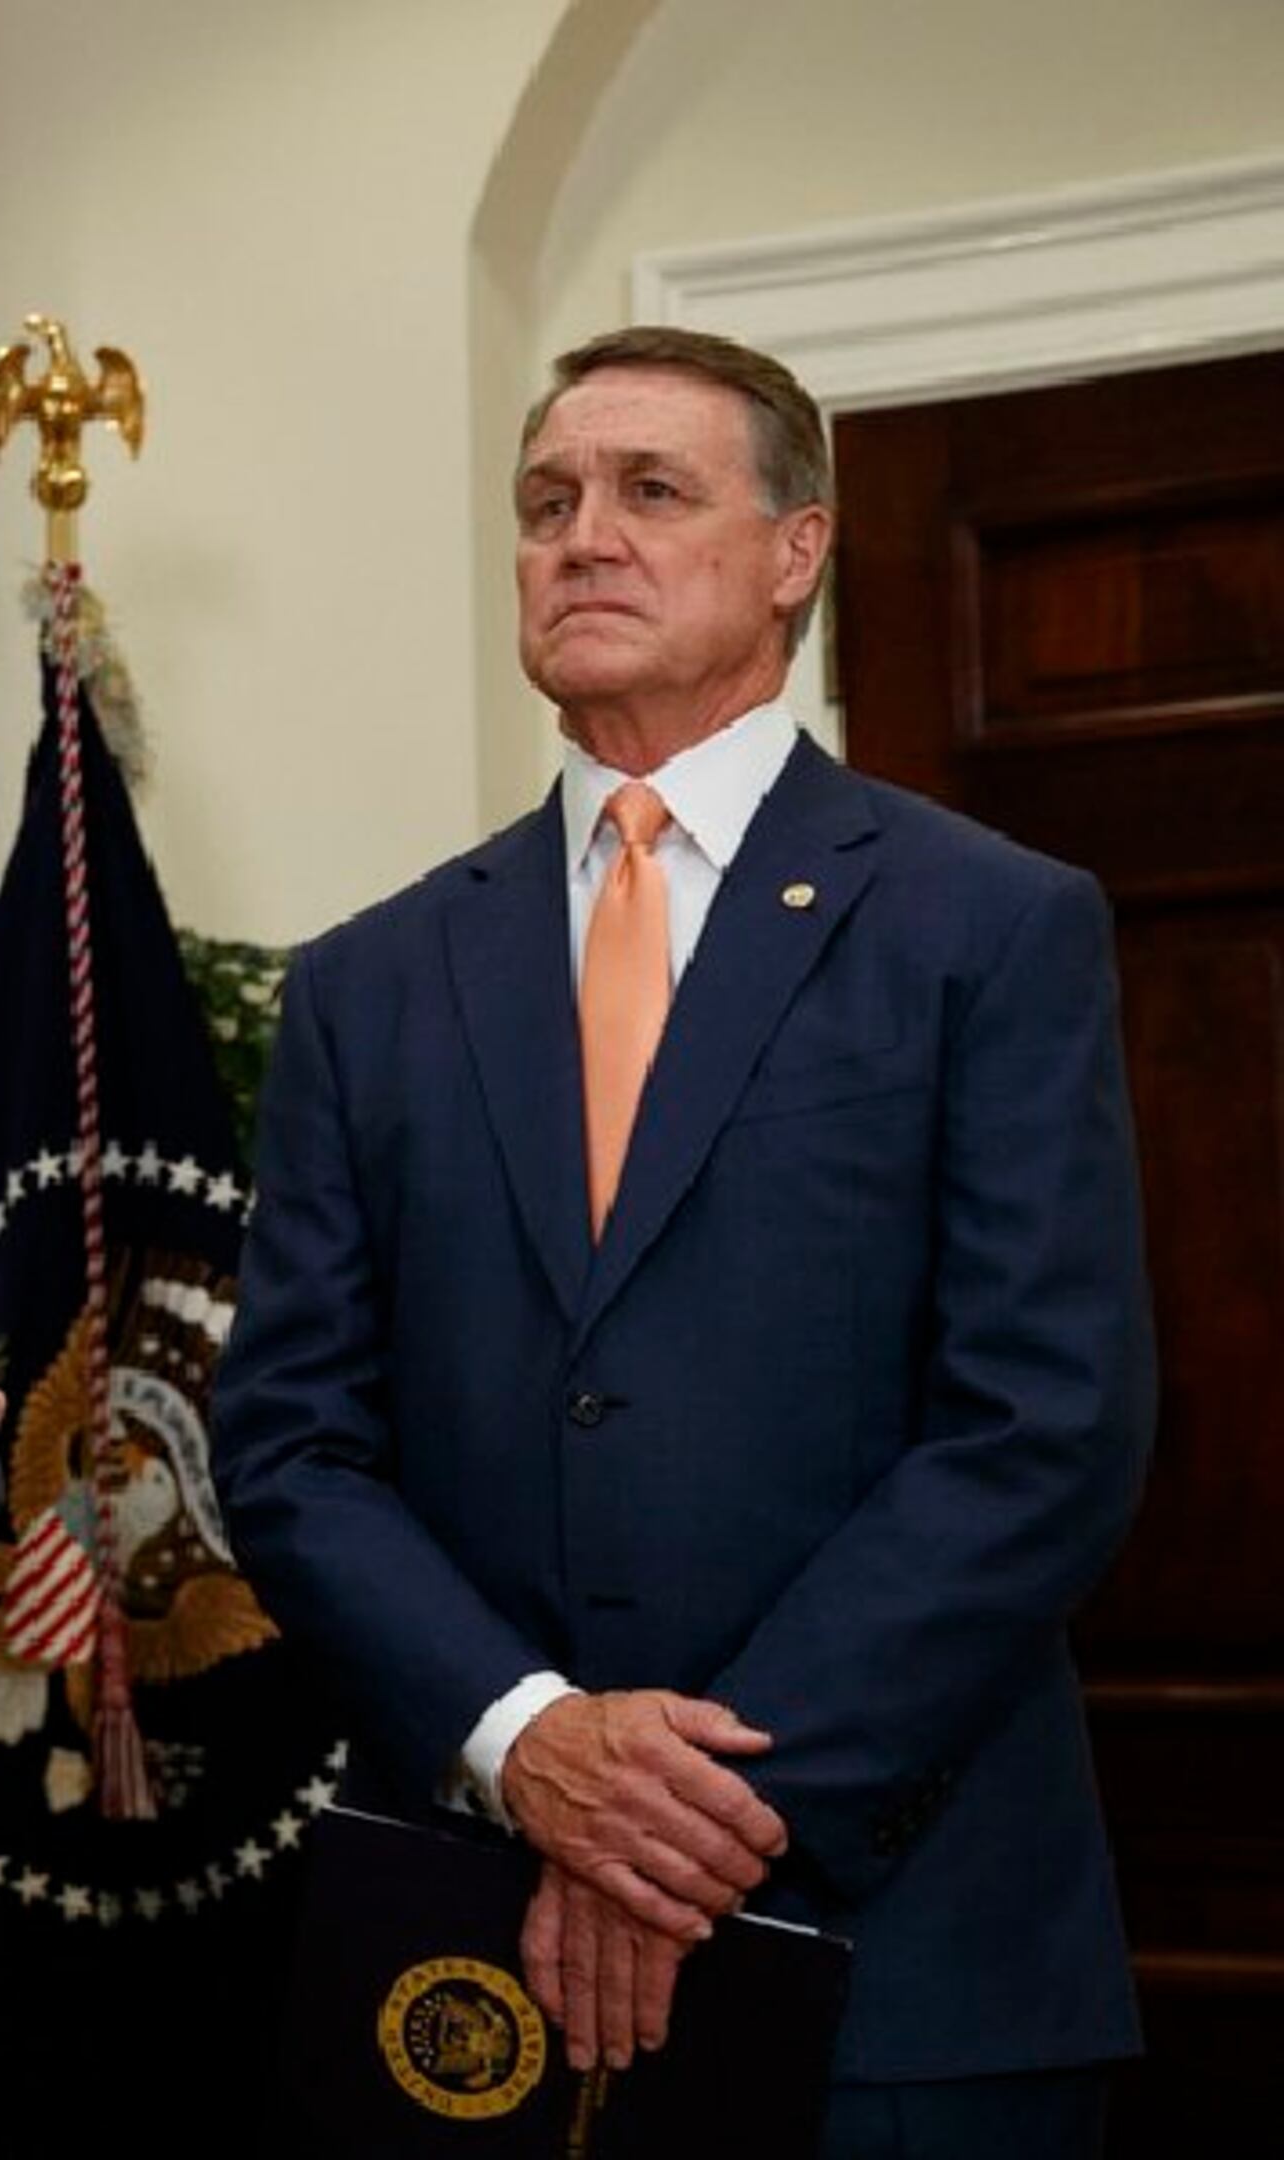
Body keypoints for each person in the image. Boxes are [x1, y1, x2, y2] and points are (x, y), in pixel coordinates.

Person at [212, 326, 1153, 2155]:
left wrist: (682, 1822)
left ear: (796, 549)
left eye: (653, 492)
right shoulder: (370, 984)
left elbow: (1046, 1425)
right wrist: (531, 1745)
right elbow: (294, 1445)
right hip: (471, 1956)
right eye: (547, 503)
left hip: (912, 1963)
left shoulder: (990, 929)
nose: (584, 537)